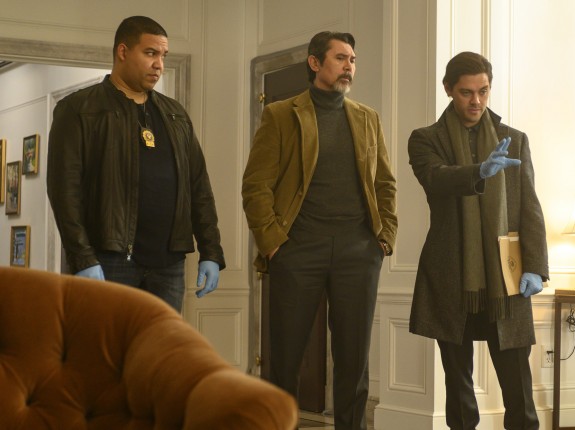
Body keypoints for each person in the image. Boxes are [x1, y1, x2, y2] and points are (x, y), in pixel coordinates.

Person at [242, 31, 397, 430]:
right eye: (341, 58)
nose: (349, 66)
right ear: (315, 63)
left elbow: (385, 182)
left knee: (354, 360)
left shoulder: (367, 117)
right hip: (297, 250)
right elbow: (256, 186)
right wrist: (274, 243)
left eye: (353, 60)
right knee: (285, 357)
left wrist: (384, 238)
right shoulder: (281, 114)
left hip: (358, 251)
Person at [407, 52, 549, 430]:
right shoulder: (426, 139)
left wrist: (536, 267)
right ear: (448, 90)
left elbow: (530, 208)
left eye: (483, 91)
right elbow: (436, 178)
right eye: (466, 92)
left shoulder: (514, 140)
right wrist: (479, 172)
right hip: (452, 277)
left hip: (506, 277)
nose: (476, 101)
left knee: (519, 390)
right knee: (459, 388)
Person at [47, 16, 225, 313]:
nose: (159, 65)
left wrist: (211, 251)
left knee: (160, 344)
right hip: (109, 261)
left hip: (169, 264)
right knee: (106, 343)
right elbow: (64, 192)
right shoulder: (79, 109)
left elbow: (198, 188)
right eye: (150, 53)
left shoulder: (175, 114)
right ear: (123, 51)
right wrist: (82, 257)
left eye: (163, 56)